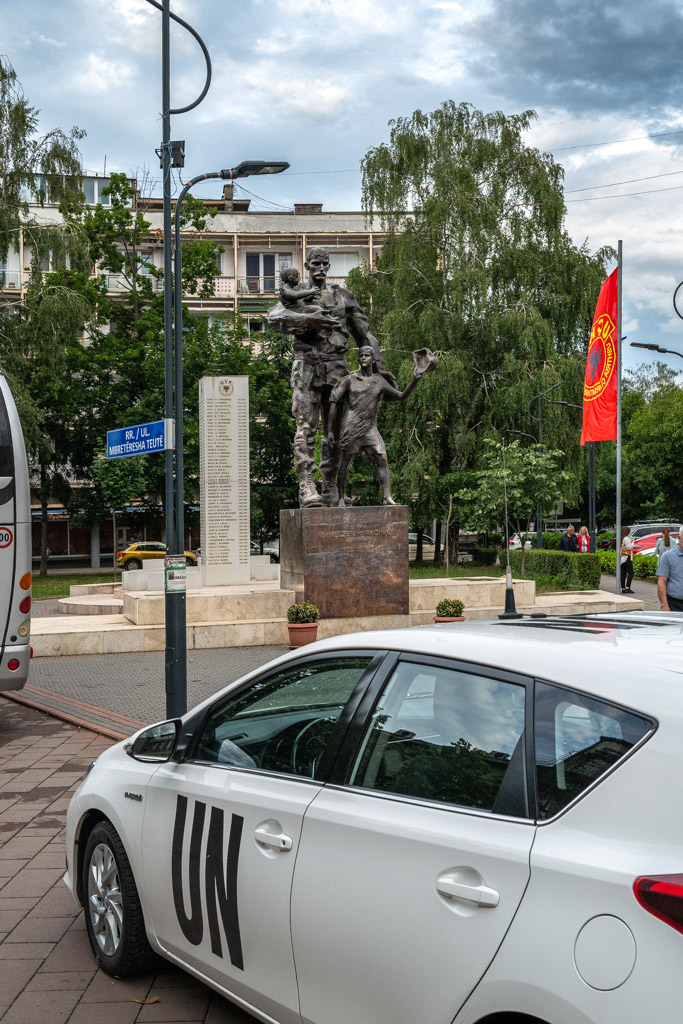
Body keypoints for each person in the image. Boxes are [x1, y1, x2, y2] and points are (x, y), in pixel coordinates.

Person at [268, 247, 393, 507]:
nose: (321, 268)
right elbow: (275, 318)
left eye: (325, 264)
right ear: (307, 266)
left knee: (336, 431)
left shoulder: (343, 296)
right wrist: (310, 319)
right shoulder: (297, 294)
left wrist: (379, 371)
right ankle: (306, 485)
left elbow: (364, 334)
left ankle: (330, 486)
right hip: (308, 369)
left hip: (337, 369)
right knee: (306, 428)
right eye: (316, 264)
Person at [328, 346, 436, 506]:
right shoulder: (349, 380)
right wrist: (330, 430)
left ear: (372, 359)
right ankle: (341, 498)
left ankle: (386, 497)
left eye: (367, 355)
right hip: (351, 428)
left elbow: (400, 396)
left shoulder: (379, 381)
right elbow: (333, 402)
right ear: (358, 359)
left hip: (370, 429)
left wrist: (416, 378)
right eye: (361, 355)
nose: (364, 358)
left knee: (381, 458)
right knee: (345, 462)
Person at [657, 527, 683, 611]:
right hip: (675, 604)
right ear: (679, 538)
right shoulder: (668, 556)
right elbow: (662, 581)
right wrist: (664, 605)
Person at [620, 526, 634, 594]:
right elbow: (629, 547)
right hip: (627, 558)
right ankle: (628, 587)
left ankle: (622, 588)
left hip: (621, 558)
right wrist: (633, 543)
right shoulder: (627, 539)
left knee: (623, 573)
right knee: (631, 573)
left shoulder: (620, 538)